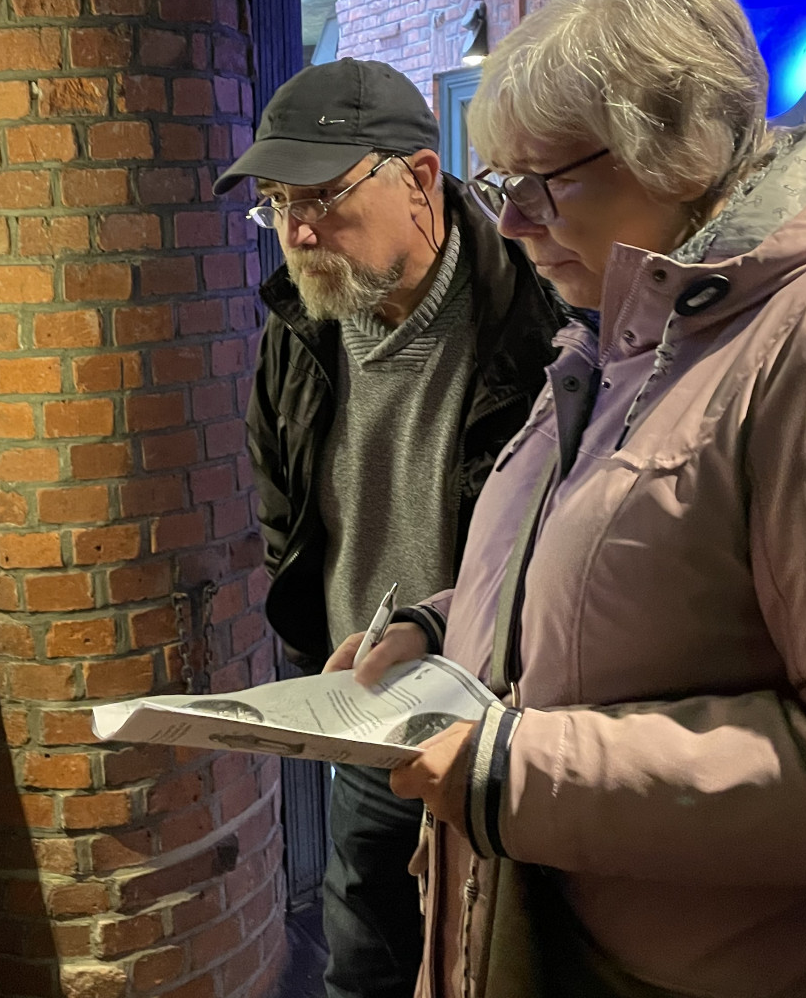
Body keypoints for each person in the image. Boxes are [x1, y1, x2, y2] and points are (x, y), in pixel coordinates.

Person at [330, 0, 806, 998]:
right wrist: (446, 631)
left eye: (544, 182)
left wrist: (517, 772)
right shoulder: (641, 323)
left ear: (681, 152)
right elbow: (637, 572)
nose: (512, 223)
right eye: (500, 187)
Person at [218, 58, 560, 998]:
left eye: (323, 195)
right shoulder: (297, 329)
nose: (296, 230)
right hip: (369, 716)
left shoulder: (545, 317)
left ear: (418, 179)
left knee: (507, 959)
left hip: (514, 721)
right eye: (279, 202)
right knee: (363, 956)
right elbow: (285, 504)